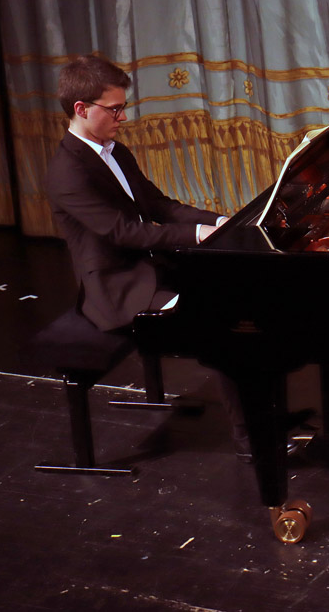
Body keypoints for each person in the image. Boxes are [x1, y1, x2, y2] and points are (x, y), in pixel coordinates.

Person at [46, 54, 248, 459]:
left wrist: (220, 221)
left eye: (123, 107)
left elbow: (158, 205)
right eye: (114, 109)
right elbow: (125, 232)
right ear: (81, 109)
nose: (123, 117)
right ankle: (250, 437)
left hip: (150, 265)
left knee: (237, 289)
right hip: (117, 286)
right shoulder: (67, 173)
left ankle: (260, 408)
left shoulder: (115, 151)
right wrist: (197, 235)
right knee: (220, 322)